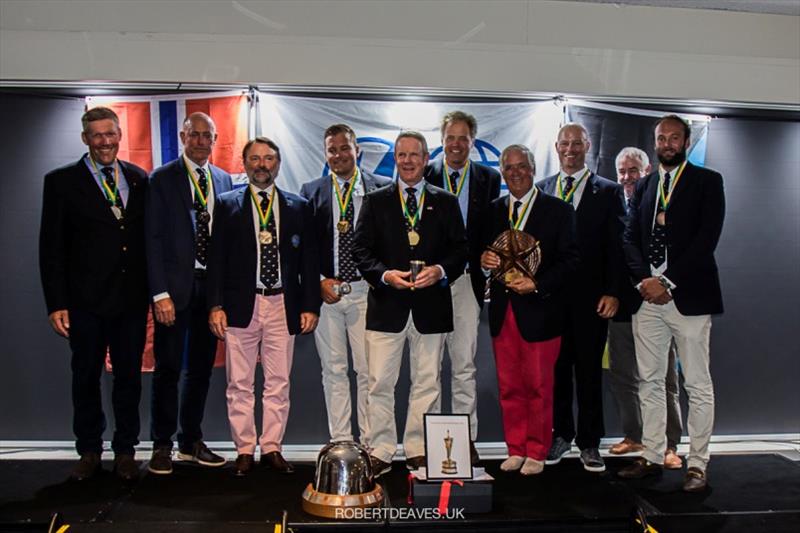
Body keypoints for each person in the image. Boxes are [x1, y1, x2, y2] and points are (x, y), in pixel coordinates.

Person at [39, 106, 149, 481]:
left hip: (130, 300)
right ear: (85, 138)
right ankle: (89, 450)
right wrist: (57, 303)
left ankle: (125, 451)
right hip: (84, 301)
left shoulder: (137, 178)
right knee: (85, 376)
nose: (105, 141)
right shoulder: (61, 182)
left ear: (120, 136)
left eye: (110, 134)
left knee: (129, 379)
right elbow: (50, 248)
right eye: (97, 135)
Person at [618, 115, 725, 492]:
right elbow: (629, 238)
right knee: (648, 380)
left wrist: (667, 281)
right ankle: (651, 454)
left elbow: (705, 240)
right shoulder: (646, 185)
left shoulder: (707, 182)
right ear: (655, 142)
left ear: (686, 141)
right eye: (661, 137)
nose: (667, 143)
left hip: (688, 297)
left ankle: (697, 464)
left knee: (697, 383)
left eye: (674, 137)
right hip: (647, 300)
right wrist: (643, 282)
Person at [353, 131, 468, 477]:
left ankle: (418, 448)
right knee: (378, 383)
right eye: (401, 155)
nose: (407, 161)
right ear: (395, 159)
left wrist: (440, 270)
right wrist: (386, 275)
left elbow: (460, 250)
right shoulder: (375, 201)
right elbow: (361, 251)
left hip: (431, 307)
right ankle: (383, 449)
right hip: (387, 305)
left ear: (425, 158)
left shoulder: (446, 201)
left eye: (414, 155)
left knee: (427, 382)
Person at [207, 137, 320, 476]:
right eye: (254, 158)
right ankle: (243, 448)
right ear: (244, 164)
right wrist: (215, 305)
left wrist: (310, 305)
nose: (261, 165)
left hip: (282, 302)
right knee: (239, 383)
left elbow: (309, 263)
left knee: (278, 382)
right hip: (242, 304)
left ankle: (271, 447)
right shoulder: (227, 205)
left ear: (278, 164)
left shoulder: (298, 206)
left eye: (268, 158)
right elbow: (216, 261)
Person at [480, 145, 579, 475]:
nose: (515, 172)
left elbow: (571, 261)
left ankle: (537, 449)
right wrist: (483, 262)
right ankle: (516, 447)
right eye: (509, 168)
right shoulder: (491, 210)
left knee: (539, 386)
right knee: (509, 386)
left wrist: (537, 284)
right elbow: (478, 256)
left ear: (533, 168)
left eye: (522, 166)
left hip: (541, 311)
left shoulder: (558, 211)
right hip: (502, 311)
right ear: (502, 172)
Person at [145, 112, 232, 474]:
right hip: (174, 291)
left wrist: (222, 297)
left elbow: (228, 242)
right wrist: (159, 293)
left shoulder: (224, 179)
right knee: (166, 368)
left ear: (215, 140)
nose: (199, 141)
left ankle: (190, 440)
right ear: (183, 137)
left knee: (200, 370)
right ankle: (162, 444)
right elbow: (151, 238)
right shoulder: (162, 178)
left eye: (206, 136)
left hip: (209, 291)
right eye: (193, 134)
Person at [537, 123, 626, 473]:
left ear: (588, 146)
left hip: (592, 301)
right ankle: (561, 435)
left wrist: (614, 291)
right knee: (556, 373)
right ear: (556, 148)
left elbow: (618, 247)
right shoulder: (542, 189)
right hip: (550, 300)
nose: (570, 149)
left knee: (589, 373)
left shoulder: (608, 191)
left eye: (577, 143)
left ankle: (590, 443)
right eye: (564, 144)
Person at [300, 124, 391, 445]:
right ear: (325, 154)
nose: (338, 155)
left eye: (344, 148)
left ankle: (369, 443)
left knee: (369, 372)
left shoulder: (383, 189)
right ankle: (341, 442)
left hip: (367, 292)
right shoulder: (311, 191)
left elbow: (389, 245)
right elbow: (304, 248)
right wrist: (319, 282)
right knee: (334, 371)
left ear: (357, 150)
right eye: (332, 150)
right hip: (328, 295)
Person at [424, 111, 501, 463]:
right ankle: (433, 441)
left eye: (463, 138)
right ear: (442, 141)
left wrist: (489, 268)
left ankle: (465, 439)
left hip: (469, 281)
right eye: (450, 138)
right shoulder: (425, 174)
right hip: (432, 283)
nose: (456, 144)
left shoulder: (488, 177)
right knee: (429, 368)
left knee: (464, 365)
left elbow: (495, 230)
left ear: (473, 141)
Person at [608, 147, 683, 469]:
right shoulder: (611, 204)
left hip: (656, 301)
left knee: (663, 378)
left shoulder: (662, 203)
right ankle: (634, 435)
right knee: (624, 375)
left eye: (633, 170)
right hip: (622, 305)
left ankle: (669, 444)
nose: (627, 177)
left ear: (647, 170)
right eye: (622, 172)